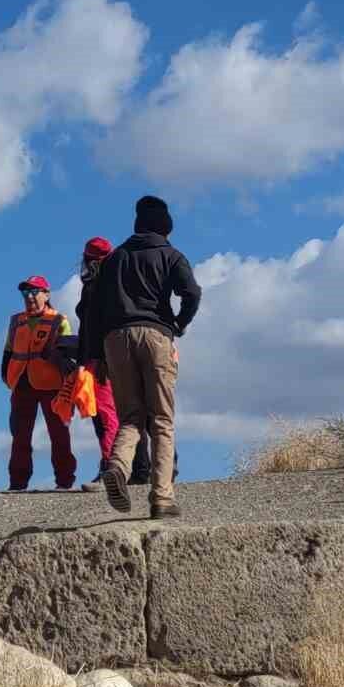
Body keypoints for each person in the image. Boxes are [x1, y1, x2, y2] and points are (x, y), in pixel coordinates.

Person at [83, 196, 202, 519]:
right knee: (161, 419)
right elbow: (192, 293)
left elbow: (94, 309)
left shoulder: (115, 259)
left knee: (131, 416)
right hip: (155, 335)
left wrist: (97, 355)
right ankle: (161, 498)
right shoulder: (170, 255)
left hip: (115, 339)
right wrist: (179, 323)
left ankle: (118, 467)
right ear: (166, 228)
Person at [2, 275, 76, 490]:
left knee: (59, 434)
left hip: (52, 384)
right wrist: (6, 375)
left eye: (35, 292)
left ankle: (64, 481)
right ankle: (17, 482)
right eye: (26, 293)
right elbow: (8, 351)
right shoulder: (16, 321)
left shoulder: (58, 320)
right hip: (22, 383)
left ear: (47, 294)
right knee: (20, 435)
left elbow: (68, 353)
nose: (30, 297)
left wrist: (54, 354)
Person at [71, 237, 120, 492]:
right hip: (97, 358)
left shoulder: (100, 287)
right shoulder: (104, 285)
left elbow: (95, 326)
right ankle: (125, 468)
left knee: (105, 414)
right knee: (107, 413)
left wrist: (97, 358)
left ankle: (110, 468)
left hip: (101, 360)